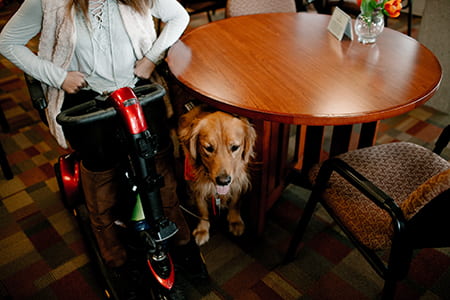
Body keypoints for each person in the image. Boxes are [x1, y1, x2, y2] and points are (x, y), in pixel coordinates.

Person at [0, 0, 206, 284]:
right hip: (87, 97)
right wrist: (59, 77)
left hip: (138, 88)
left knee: (159, 162)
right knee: (102, 167)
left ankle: (181, 239)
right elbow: (7, 41)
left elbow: (179, 16)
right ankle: (114, 253)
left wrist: (151, 59)